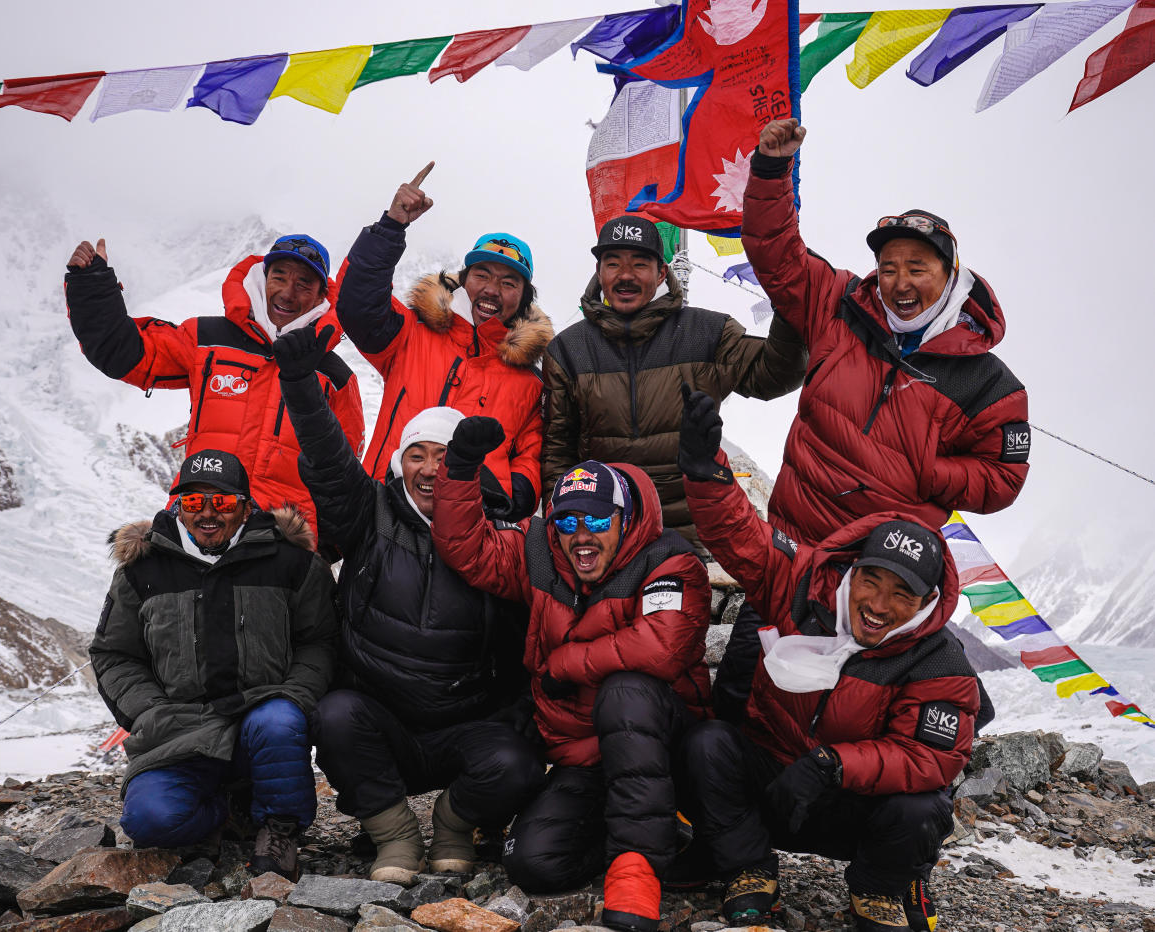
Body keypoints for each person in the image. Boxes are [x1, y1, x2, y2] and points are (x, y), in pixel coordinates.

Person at [676, 390, 981, 932]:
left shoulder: (941, 663)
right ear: (852, 570)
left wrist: (833, 765)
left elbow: (930, 760)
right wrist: (706, 472)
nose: (879, 605)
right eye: (872, 580)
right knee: (708, 744)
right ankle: (748, 869)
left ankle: (879, 891)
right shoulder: (804, 585)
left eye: (902, 594)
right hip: (772, 784)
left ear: (927, 603)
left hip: (849, 804)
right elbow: (744, 539)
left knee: (923, 807)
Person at [271, 327, 544, 885]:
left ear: (464, 466)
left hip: (467, 725)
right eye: (414, 455)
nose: (427, 468)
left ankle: (452, 823)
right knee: (337, 715)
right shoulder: (369, 513)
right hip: (381, 721)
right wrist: (300, 384)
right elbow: (327, 461)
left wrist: (515, 718)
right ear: (399, 465)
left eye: (441, 455)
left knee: (516, 762)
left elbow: (526, 640)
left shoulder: (504, 535)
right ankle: (394, 833)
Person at [432, 418, 711, 932]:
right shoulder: (541, 554)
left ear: (624, 520)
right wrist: (460, 471)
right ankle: (655, 834)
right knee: (532, 864)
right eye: (566, 521)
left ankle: (638, 869)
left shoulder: (669, 562)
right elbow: (467, 550)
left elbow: (665, 646)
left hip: (664, 744)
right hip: (580, 754)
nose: (581, 536)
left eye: (597, 521)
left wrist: (562, 664)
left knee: (628, 690)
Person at [740, 118, 1030, 546]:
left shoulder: (989, 383)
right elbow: (775, 252)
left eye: (917, 268)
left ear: (951, 274)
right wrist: (769, 170)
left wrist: (926, 470)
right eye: (889, 268)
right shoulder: (840, 303)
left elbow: (1003, 478)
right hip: (791, 550)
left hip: (880, 573)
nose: (900, 283)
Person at [90, 449, 337, 880]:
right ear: (178, 506)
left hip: (261, 719)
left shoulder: (290, 562)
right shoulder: (142, 570)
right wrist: (148, 710)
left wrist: (296, 697)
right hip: (177, 727)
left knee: (279, 722)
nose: (207, 513)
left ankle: (278, 828)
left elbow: (319, 641)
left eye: (221, 502)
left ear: (245, 505)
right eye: (193, 502)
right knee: (150, 822)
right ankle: (227, 813)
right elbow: (114, 654)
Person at [65, 234, 365, 545]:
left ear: (320, 297)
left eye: (304, 284)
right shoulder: (207, 339)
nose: (288, 293)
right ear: (263, 279)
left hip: (282, 548)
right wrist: (93, 287)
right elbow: (125, 353)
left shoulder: (335, 378)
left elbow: (343, 478)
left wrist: (320, 552)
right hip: (196, 525)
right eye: (279, 276)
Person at [540, 214, 806, 551]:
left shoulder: (709, 332)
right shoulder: (567, 350)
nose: (625, 276)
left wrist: (789, 308)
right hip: (603, 535)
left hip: (693, 538)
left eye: (639, 264)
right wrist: (566, 528)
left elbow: (774, 376)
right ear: (599, 272)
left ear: (661, 272)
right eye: (613, 264)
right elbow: (557, 453)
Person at [334, 162, 553, 520]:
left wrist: (511, 501)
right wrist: (391, 226)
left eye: (509, 283)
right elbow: (357, 305)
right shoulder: (411, 334)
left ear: (524, 298)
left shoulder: (530, 381)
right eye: (482, 274)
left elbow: (530, 456)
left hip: (473, 528)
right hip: (383, 512)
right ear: (463, 280)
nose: (491, 290)